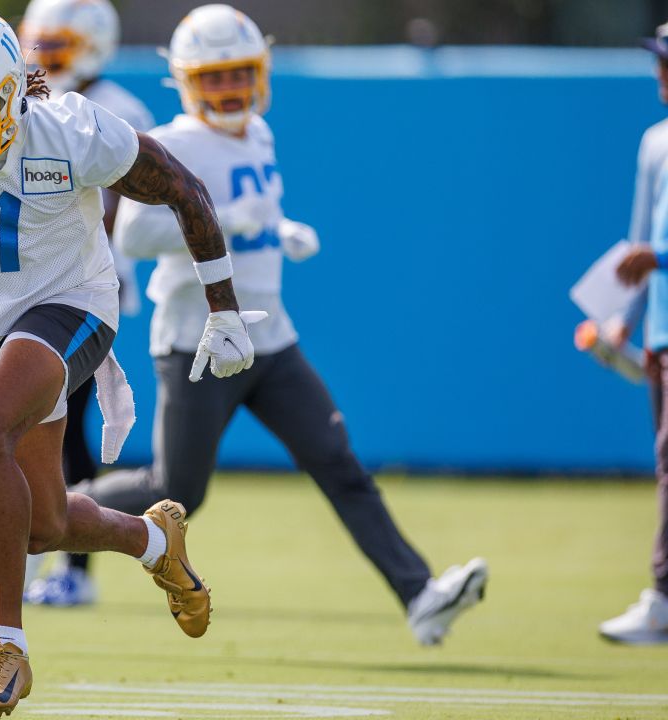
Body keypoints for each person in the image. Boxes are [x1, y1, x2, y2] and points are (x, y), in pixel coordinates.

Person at [0, 7, 264, 714]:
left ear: (12, 97)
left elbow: (182, 189)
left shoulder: (75, 129)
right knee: (43, 523)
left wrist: (223, 308)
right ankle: (151, 539)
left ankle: (5, 651)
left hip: (75, 303)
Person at [53, 4, 488, 647]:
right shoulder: (174, 141)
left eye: (239, 74)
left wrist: (279, 228)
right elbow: (135, 233)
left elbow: (254, 211)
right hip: (197, 341)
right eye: (216, 76)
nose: (230, 89)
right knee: (175, 490)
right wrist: (239, 216)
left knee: (337, 461)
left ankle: (420, 594)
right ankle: (45, 511)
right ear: (188, 81)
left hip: (270, 336)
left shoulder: (259, 133)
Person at [16, 0, 156, 607]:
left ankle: (71, 563)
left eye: (59, 45)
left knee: (62, 429)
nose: (45, 58)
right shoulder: (21, 103)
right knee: (31, 423)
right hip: (27, 288)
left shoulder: (117, 111)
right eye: (38, 44)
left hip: (85, 290)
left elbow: (113, 212)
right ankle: (43, 548)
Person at [600, 20, 668, 645]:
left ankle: (662, 596)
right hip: (663, 332)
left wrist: (659, 260)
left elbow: (655, 251)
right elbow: (639, 240)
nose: (661, 73)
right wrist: (625, 315)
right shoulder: (654, 142)